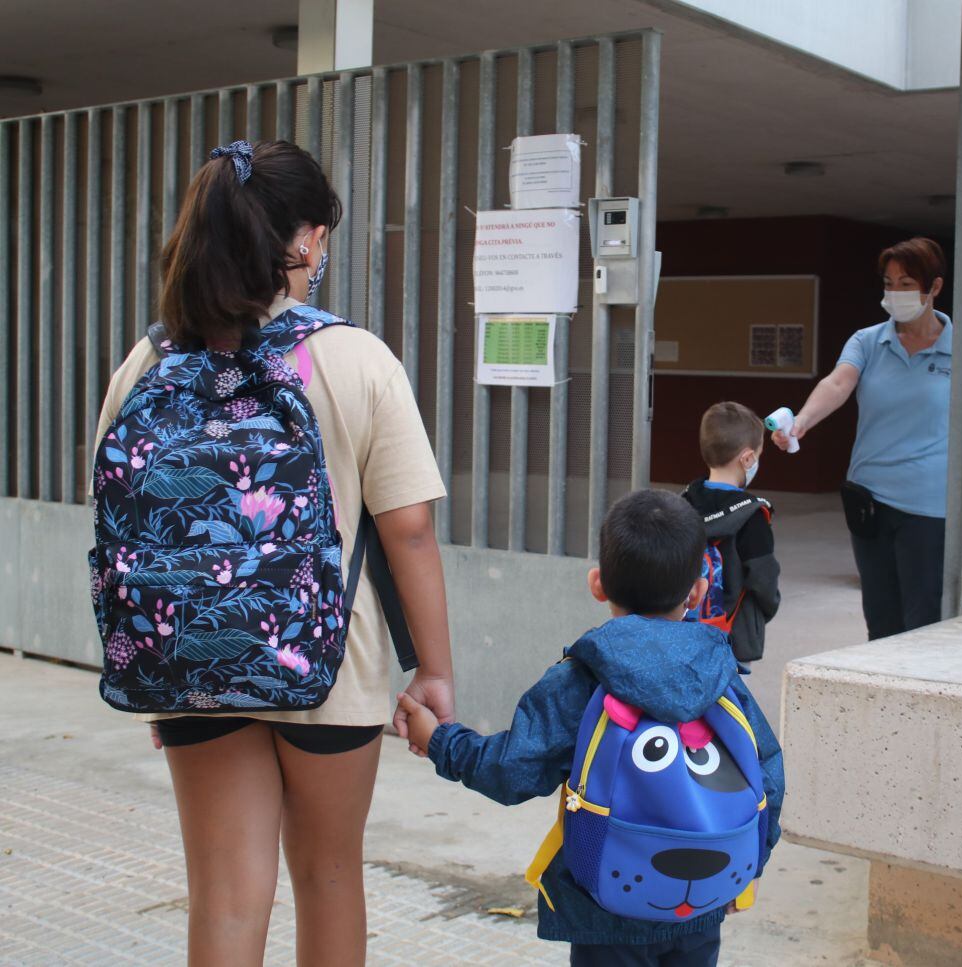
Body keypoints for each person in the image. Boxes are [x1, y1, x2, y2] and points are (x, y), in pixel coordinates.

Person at [94, 140, 454, 966]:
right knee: (329, 877)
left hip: (192, 659)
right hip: (335, 667)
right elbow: (409, 532)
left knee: (224, 892)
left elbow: (122, 527)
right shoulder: (356, 358)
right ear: (304, 241)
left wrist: (160, 654)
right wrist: (432, 670)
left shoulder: (147, 362)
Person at [397, 489, 784, 967]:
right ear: (699, 591)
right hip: (702, 905)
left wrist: (439, 740)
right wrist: (748, 863)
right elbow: (765, 769)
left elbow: (512, 769)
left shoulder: (583, 677)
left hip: (605, 906)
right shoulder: (722, 674)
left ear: (598, 584)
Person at [771, 237, 951, 640]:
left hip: (928, 505)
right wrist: (801, 422)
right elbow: (838, 383)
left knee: (924, 618)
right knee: (881, 615)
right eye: (889, 283)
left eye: (906, 283)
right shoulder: (868, 341)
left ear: (934, 287)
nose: (895, 293)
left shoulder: (961, 350)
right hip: (869, 500)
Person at [682, 402, 780, 663]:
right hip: (733, 637)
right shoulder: (753, 515)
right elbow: (764, 579)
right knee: (729, 702)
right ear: (747, 458)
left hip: (682, 631)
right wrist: (760, 615)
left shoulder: (682, 503)